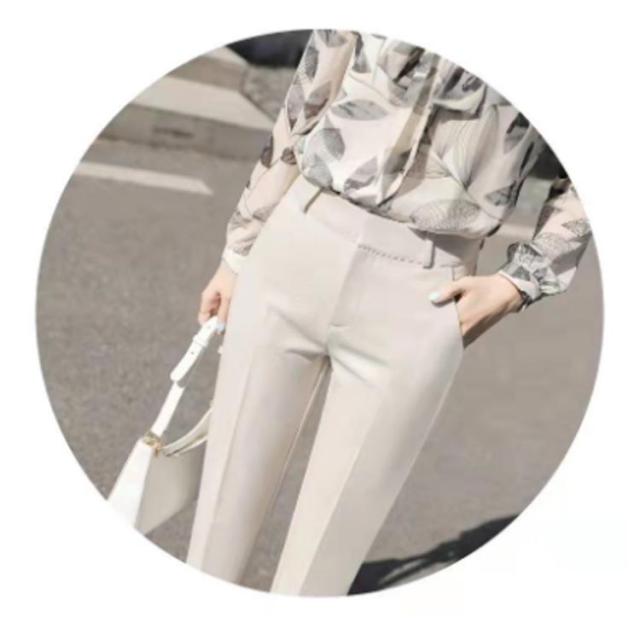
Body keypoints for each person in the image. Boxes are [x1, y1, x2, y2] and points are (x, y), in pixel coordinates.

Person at [186, 29, 592, 596]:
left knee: (320, 571)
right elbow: (309, 94)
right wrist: (238, 251)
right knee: (217, 526)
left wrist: (518, 281)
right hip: (299, 234)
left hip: (426, 284)